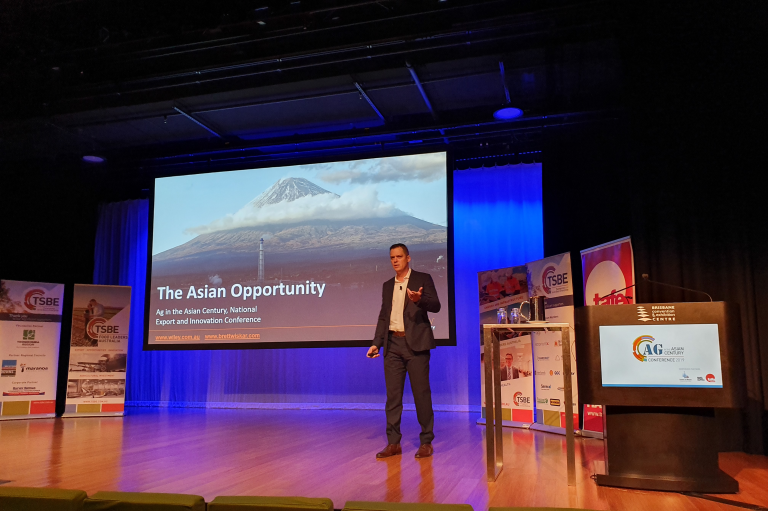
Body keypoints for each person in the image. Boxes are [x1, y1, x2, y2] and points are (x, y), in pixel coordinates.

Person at [368, 243, 441, 460]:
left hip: (416, 345)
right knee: (393, 397)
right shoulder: (387, 285)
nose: (395, 260)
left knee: (421, 395)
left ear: (408, 258)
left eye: (399, 256)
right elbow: (384, 316)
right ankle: (393, 443)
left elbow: (436, 305)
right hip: (393, 345)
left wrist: (420, 300)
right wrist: (376, 343)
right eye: (392, 257)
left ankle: (426, 441)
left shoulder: (422, 279)